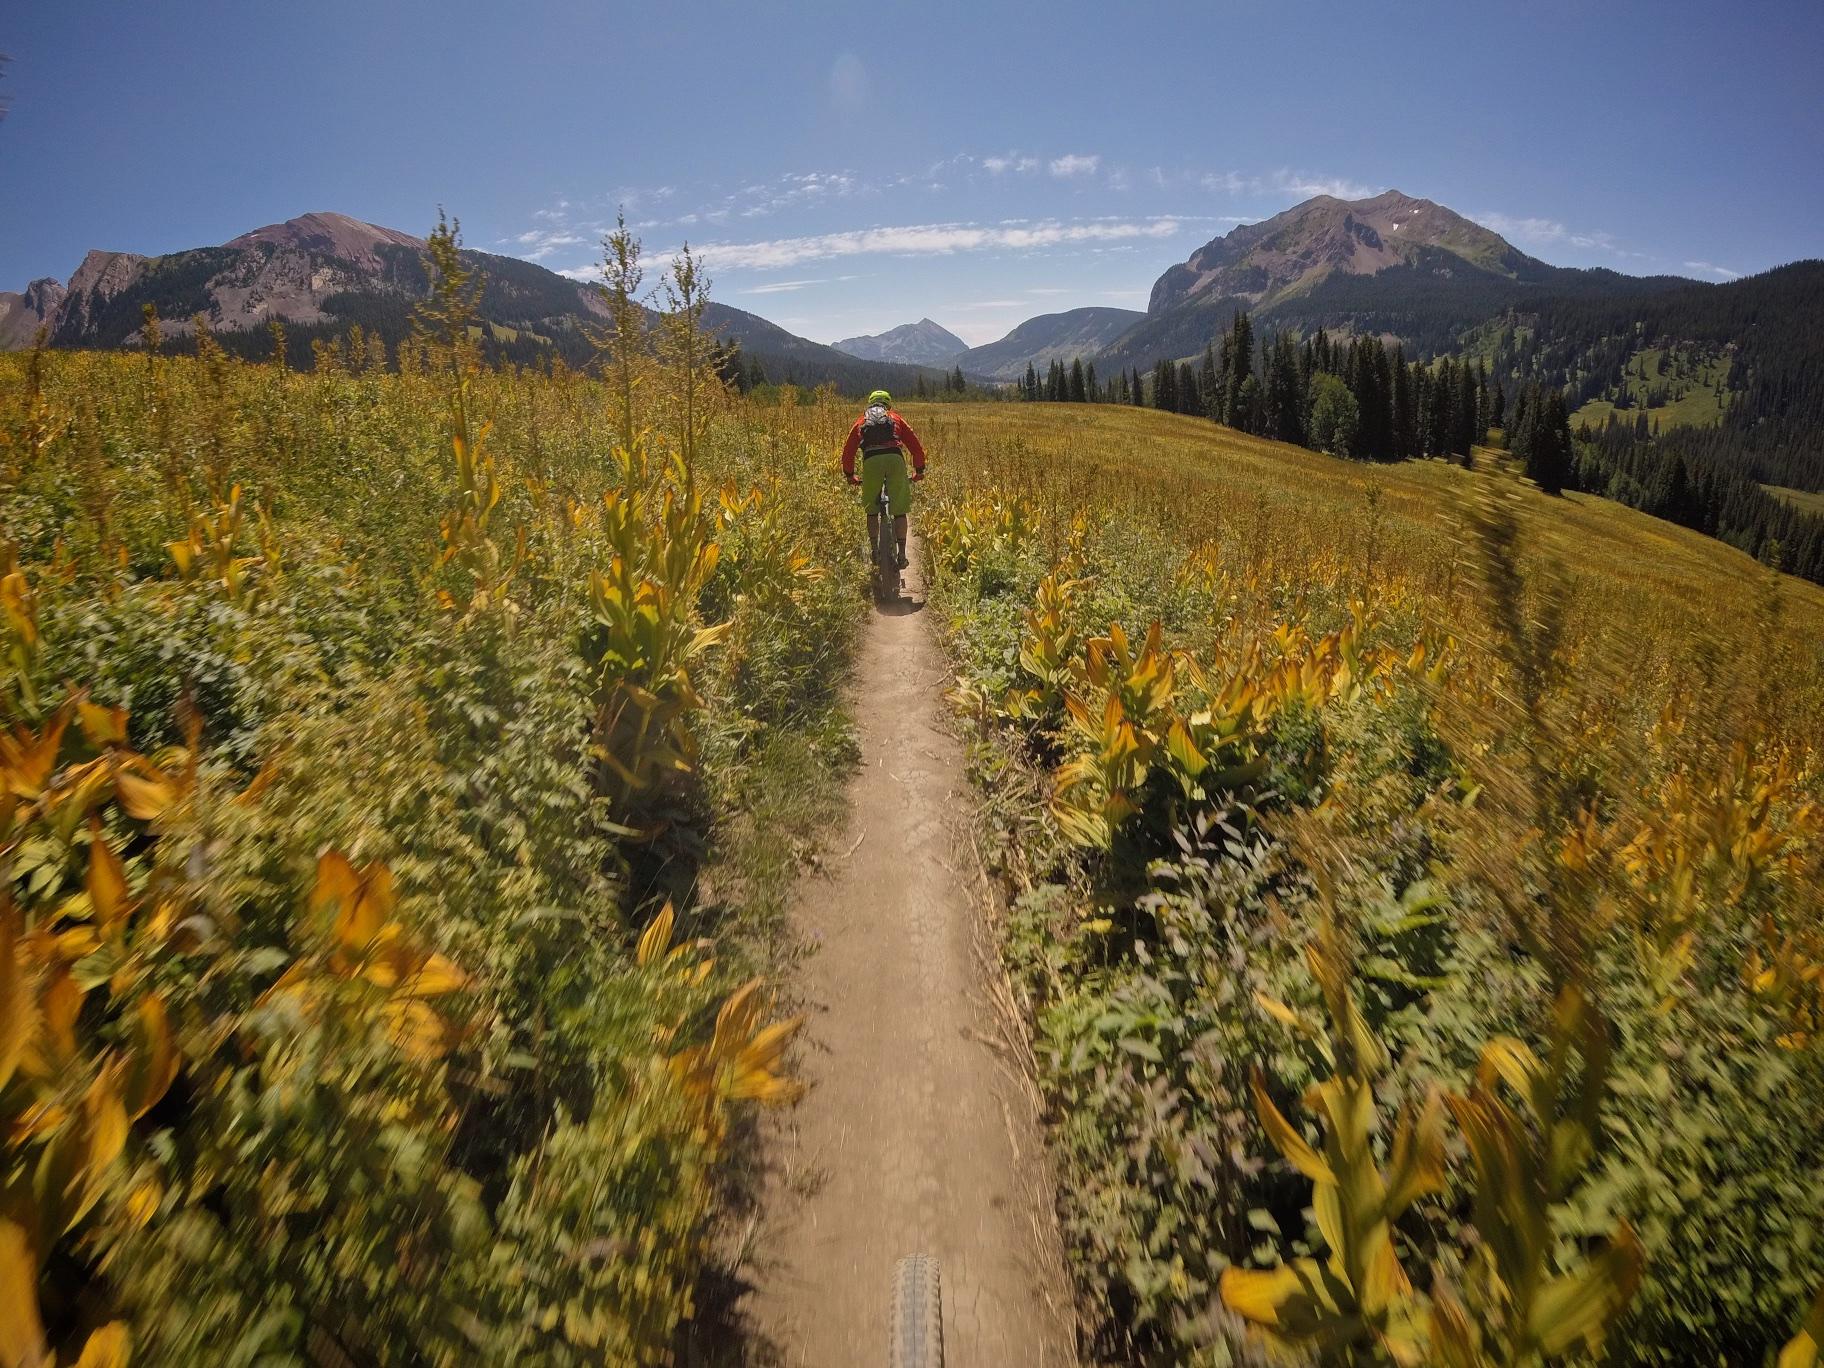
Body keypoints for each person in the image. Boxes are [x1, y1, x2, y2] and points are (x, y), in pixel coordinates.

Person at [841, 389, 926, 569]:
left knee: (871, 510)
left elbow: (848, 452)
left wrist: (850, 475)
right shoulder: (895, 418)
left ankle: (874, 551)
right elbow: (916, 447)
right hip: (895, 459)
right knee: (900, 510)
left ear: (870, 404)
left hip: (871, 461)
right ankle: (902, 554)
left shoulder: (861, 421)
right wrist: (918, 471)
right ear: (888, 404)